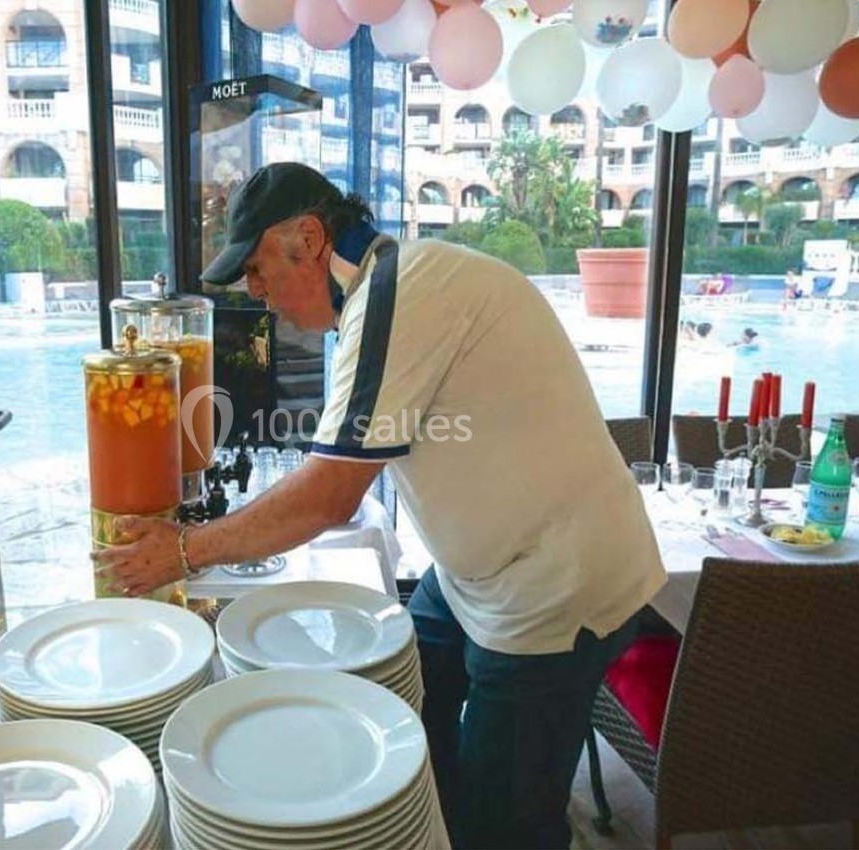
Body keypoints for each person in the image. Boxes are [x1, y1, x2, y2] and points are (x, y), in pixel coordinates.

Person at [91, 163, 665, 849]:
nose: (259, 295)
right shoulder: (391, 287)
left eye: (257, 269)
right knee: (406, 683)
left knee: (506, 823)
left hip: (552, 590)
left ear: (308, 238)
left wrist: (182, 550)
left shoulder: (398, 291)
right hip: (473, 581)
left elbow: (331, 494)